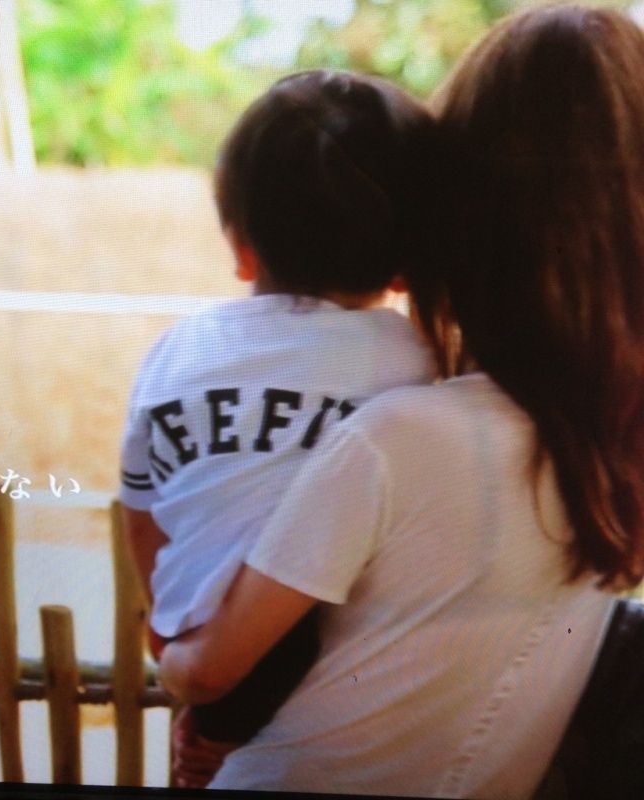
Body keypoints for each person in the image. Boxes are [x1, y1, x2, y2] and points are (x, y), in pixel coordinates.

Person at [158, 5, 644, 797]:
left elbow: (207, 670)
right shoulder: (609, 450)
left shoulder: (401, 438)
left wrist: (182, 673)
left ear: (456, 216)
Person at [118, 69, 436, 778]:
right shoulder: (416, 361)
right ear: (406, 265)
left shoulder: (177, 351)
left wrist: (167, 631)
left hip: (198, 638)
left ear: (241, 246)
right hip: (336, 663)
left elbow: (142, 513)